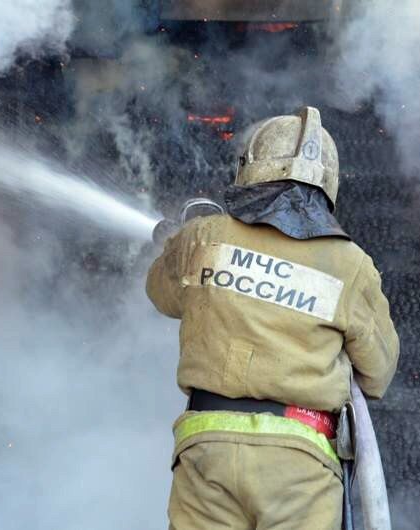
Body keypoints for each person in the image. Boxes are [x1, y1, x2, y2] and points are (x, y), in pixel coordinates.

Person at [146, 106, 399, 530]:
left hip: (207, 451)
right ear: (329, 185)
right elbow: (378, 373)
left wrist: (185, 247)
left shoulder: (205, 236)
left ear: (250, 169)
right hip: (299, 467)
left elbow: (161, 293)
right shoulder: (350, 266)